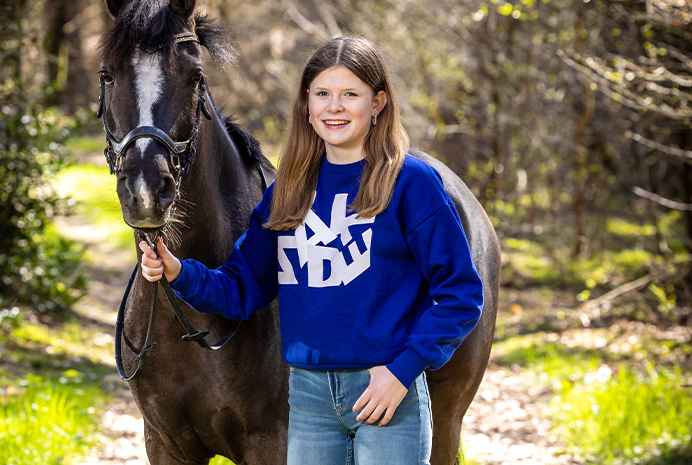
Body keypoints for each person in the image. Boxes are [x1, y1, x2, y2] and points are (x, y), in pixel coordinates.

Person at [140, 36, 483, 465]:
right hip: (308, 398)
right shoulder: (289, 190)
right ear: (306, 103)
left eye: (350, 95)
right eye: (322, 94)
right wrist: (178, 272)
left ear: (378, 103)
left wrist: (402, 372)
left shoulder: (411, 183)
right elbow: (243, 288)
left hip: (386, 391)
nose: (333, 107)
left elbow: (461, 294)